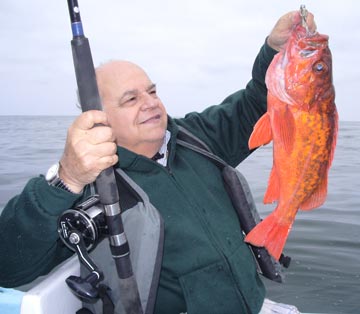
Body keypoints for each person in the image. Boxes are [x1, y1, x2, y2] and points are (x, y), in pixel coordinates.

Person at [0, 10, 316, 314]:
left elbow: (257, 102)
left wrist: (275, 51)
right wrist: (66, 178)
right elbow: (8, 267)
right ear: (99, 116)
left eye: (152, 91)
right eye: (132, 99)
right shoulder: (88, 186)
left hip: (254, 304)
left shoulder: (196, 137)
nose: (151, 103)